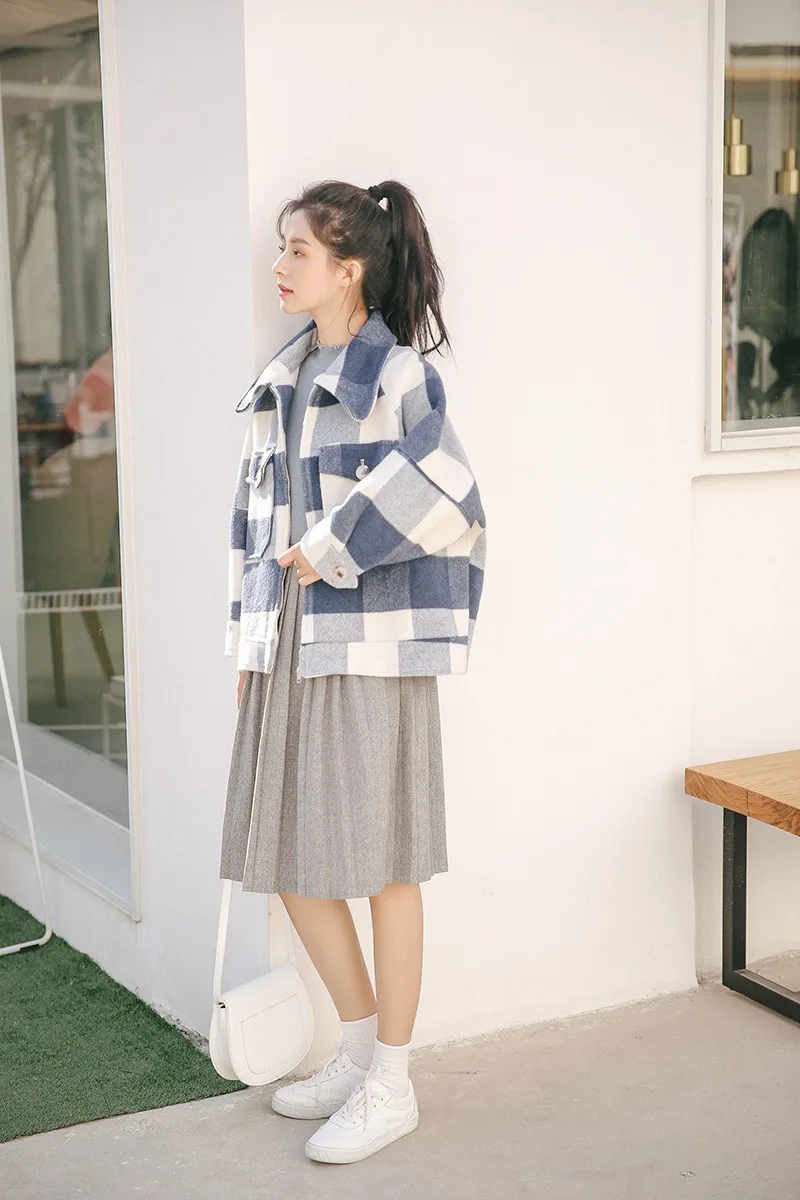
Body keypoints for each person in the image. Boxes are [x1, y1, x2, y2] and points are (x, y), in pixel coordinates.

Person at [218, 179, 487, 1164]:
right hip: (288, 641)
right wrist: (248, 637)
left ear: (350, 268)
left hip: (369, 642)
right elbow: (253, 523)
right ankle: (360, 1050)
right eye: (281, 248)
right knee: (289, 853)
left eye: (297, 250)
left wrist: (330, 546)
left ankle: (391, 1083)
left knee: (383, 864)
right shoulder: (284, 375)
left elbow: (449, 492)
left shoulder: (397, 373)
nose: (279, 266)